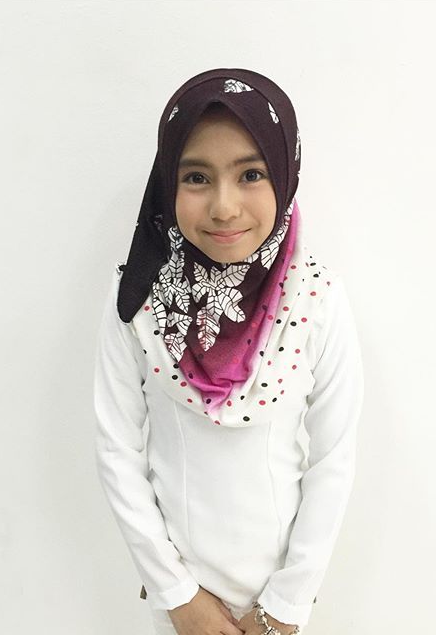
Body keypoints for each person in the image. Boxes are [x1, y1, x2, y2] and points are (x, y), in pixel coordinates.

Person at [93, 67, 365, 635]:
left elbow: (333, 459)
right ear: (167, 181)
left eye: (251, 174)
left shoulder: (316, 298)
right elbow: (117, 448)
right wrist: (177, 595)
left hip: (284, 603)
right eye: (196, 176)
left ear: (285, 175)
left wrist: (284, 607)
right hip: (174, 600)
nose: (223, 206)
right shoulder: (138, 299)